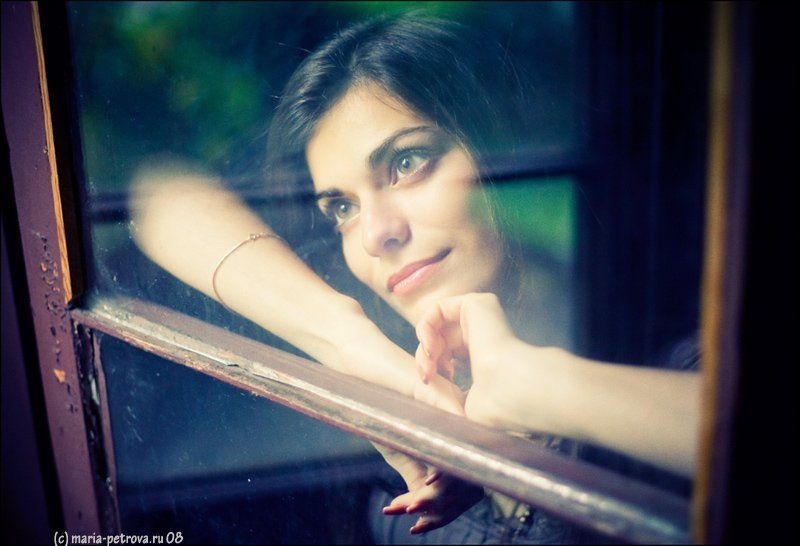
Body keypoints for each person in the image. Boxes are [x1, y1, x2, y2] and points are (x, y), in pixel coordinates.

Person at [131, 12, 699, 544]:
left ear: (501, 148)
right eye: (342, 208)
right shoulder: (392, 365)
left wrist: (525, 383)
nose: (376, 233)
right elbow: (154, 191)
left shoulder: (661, 341)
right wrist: (348, 342)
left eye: (407, 163)